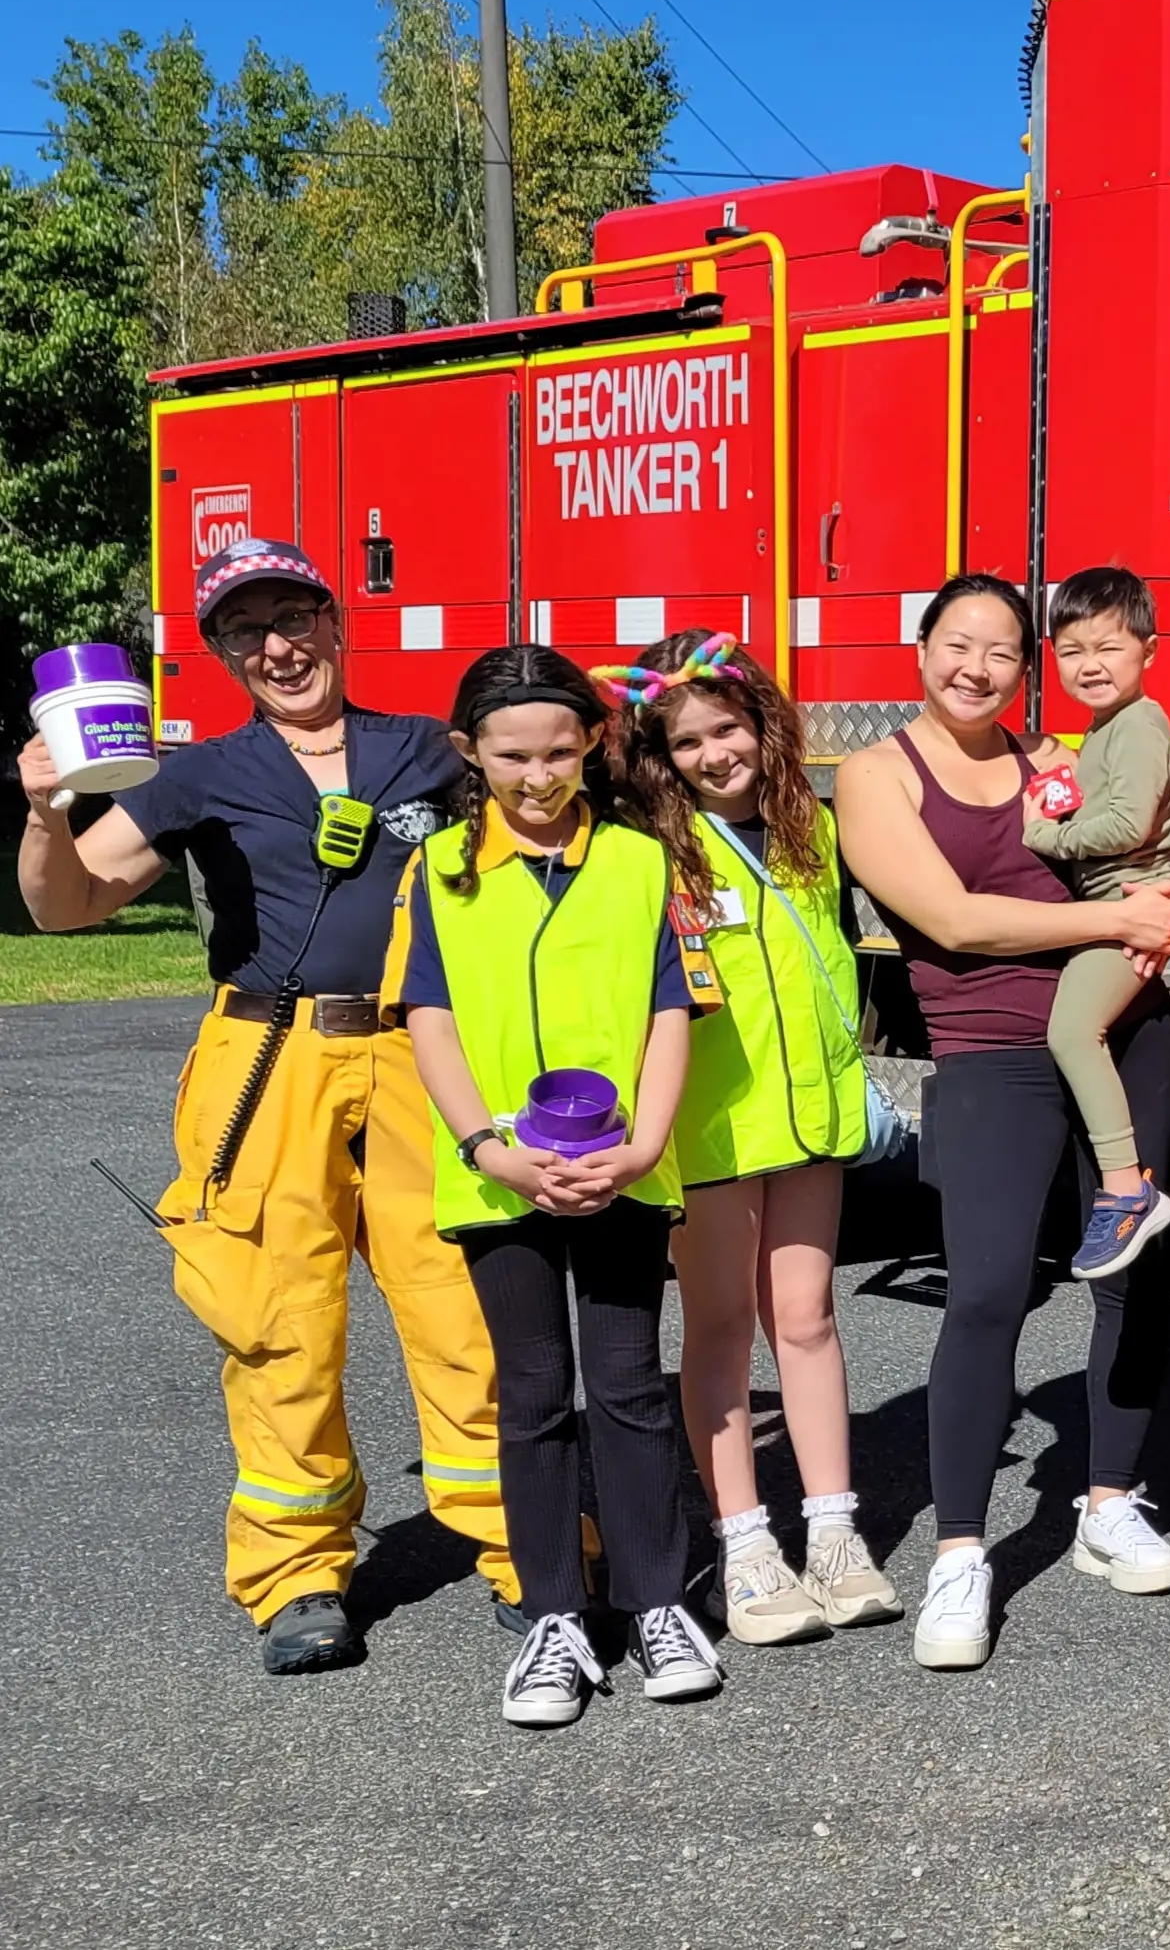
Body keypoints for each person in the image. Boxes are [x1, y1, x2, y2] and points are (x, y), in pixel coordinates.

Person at [14, 537, 516, 1673]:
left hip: (420, 1051)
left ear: (336, 621)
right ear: (222, 655)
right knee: (275, 1315)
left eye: (295, 618)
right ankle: (297, 1575)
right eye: (248, 631)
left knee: (466, 1307)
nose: (279, 647)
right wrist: (45, 812)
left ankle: (519, 1540)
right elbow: (70, 909)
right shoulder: (195, 774)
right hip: (265, 1062)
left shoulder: (430, 754)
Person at [834, 574, 1170, 1669]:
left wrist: (1164, 906)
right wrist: (1120, 913)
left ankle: (1106, 1501)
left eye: (1002, 652)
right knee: (988, 1290)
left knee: (1136, 1276)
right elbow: (948, 918)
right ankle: (959, 1553)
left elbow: (1146, 851)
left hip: (1123, 1028)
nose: (978, 668)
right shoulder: (873, 774)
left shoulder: (1058, 759)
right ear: (922, 648)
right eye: (959, 644)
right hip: (991, 1047)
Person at [390, 644, 710, 1728]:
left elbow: (674, 1007)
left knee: (625, 1386)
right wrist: (488, 1147)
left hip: (625, 1167)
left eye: (561, 753)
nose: (538, 777)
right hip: (499, 1177)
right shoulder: (435, 868)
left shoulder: (640, 860)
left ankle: (656, 1601)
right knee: (529, 1395)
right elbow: (426, 1015)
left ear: (595, 745)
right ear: (468, 754)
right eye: (512, 756)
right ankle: (552, 1621)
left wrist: (642, 1143)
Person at [603, 628, 900, 1647]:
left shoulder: (809, 827)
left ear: (764, 723)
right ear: (660, 758)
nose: (714, 753)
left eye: (727, 727)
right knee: (724, 1327)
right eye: (687, 742)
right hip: (713, 1122)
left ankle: (834, 1534)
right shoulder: (648, 847)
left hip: (809, 1116)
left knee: (809, 1317)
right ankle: (743, 1541)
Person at [1022, 565, 1170, 1283]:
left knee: (1072, 1030)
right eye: (1072, 651)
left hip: (1132, 907)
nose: (1089, 665)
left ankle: (1126, 1189)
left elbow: (1129, 823)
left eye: (1108, 649)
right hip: (1127, 904)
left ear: (1148, 652)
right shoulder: (1107, 727)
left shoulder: (1139, 722)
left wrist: (1048, 835)